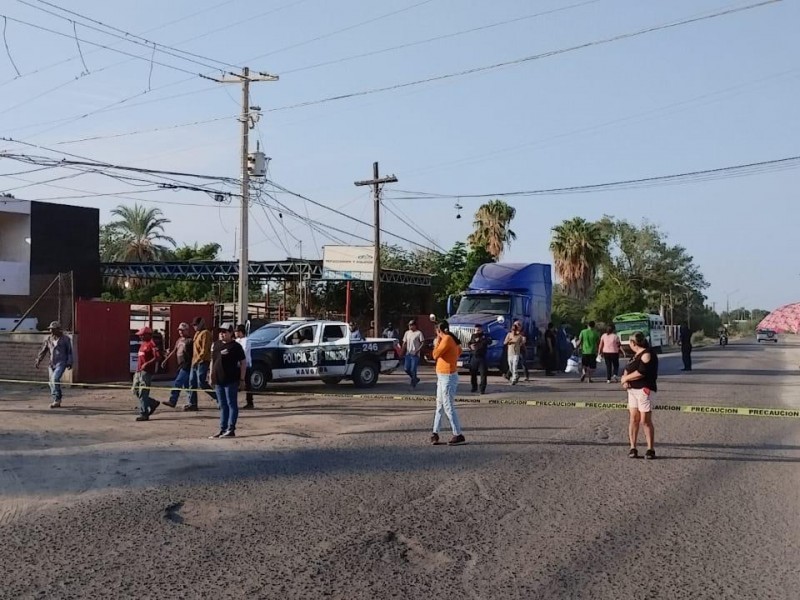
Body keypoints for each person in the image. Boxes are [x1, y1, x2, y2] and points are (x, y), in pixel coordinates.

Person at [621, 331, 658, 459]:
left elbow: (641, 372)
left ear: (633, 343)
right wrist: (625, 380)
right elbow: (628, 369)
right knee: (633, 419)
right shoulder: (635, 356)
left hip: (644, 390)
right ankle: (633, 447)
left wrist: (625, 379)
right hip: (632, 391)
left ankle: (650, 449)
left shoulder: (647, 354)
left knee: (645, 421)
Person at [430, 320, 465, 445]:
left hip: (447, 376)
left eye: (436, 331)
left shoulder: (446, 339)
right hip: (442, 375)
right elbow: (459, 351)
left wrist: (437, 342)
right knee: (439, 405)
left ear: (439, 330)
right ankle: (435, 432)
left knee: (448, 406)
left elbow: (435, 354)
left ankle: (458, 434)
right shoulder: (451, 339)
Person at [208, 325, 247, 439]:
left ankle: (231, 429)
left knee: (231, 404)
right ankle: (222, 429)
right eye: (220, 332)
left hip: (231, 380)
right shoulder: (216, 344)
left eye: (224, 332)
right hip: (218, 380)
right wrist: (210, 375)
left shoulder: (236, 346)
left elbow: (243, 362)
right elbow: (212, 360)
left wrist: (242, 379)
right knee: (222, 405)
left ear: (231, 333)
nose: (221, 334)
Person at [34, 321, 73, 408]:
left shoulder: (66, 339)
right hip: (52, 363)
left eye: (53, 330)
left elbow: (69, 352)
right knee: (51, 382)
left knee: (55, 379)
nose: (51, 331)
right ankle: (55, 398)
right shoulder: (49, 339)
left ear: (58, 330)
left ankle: (57, 400)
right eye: (50, 330)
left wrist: (69, 362)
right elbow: (43, 351)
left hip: (61, 362)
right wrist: (38, 360)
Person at [185, 316, 217, 411]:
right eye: (193, 325)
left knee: (201, 383)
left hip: (202, 361)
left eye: (195, 325)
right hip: (194, 362)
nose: (194, 327)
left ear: (201, 324)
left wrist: (197, 360)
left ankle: (218, 398)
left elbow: (204, 350)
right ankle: (192, 403)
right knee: (191, 383)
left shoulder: (205, 333)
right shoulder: (197, 334)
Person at [160, 322, 193, 408]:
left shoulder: (190, 341)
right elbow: (174, 351)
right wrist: (165, 360)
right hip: (180, 365)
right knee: (187, 385)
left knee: (177, 382)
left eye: (182, 330)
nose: (180, 332)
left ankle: (172, 400)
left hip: (187, 365)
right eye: (179, 330)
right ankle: (192, 403)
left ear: (187, 330)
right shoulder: (179, 340)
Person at [133, 326, 161, 422]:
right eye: (140, 335)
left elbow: (157, 357)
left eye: (142, 335)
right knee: (135, 390)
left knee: (143, 393)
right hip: (138, 371)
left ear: (148, 335)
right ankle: (152, 403)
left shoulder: (151, 344)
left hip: (146, 372)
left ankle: (144, 413)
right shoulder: (143, 344)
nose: (140, 337)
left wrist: (147, 364)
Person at [235, 324, 255, 409]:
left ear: (240, 332)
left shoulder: (246, 340)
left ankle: (250, 402)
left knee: (247, 384)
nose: (235, 333)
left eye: (236, 331)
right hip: (237, 365)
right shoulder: (236, 340)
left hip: (246, 365)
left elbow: (243, 350)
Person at [401, 319, 425, 388]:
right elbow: (404, 342)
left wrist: (417, 350)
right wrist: (402, 351)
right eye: (409, 325)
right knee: (406, 369)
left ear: (415, 326)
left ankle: (413, 383)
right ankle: (415, 378)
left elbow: (422, 342)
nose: (410, 327)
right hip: (408, 353)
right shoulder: (407, 333)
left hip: (415, 354)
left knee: (413, 369)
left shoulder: (419, 333)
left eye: (411, 325)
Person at [468, 323, 490, 394]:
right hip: (474, 357)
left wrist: (480, 340)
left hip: (482, 358)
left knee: (483, 374)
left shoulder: (485, 336)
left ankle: (482, 389)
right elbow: (470, 343)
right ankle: (474, 387)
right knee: (473, 374)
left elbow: (489, 341)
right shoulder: (473, 336)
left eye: (479, 330)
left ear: (481, 329)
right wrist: (470, 346)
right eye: (476, 330)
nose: (477, 331)